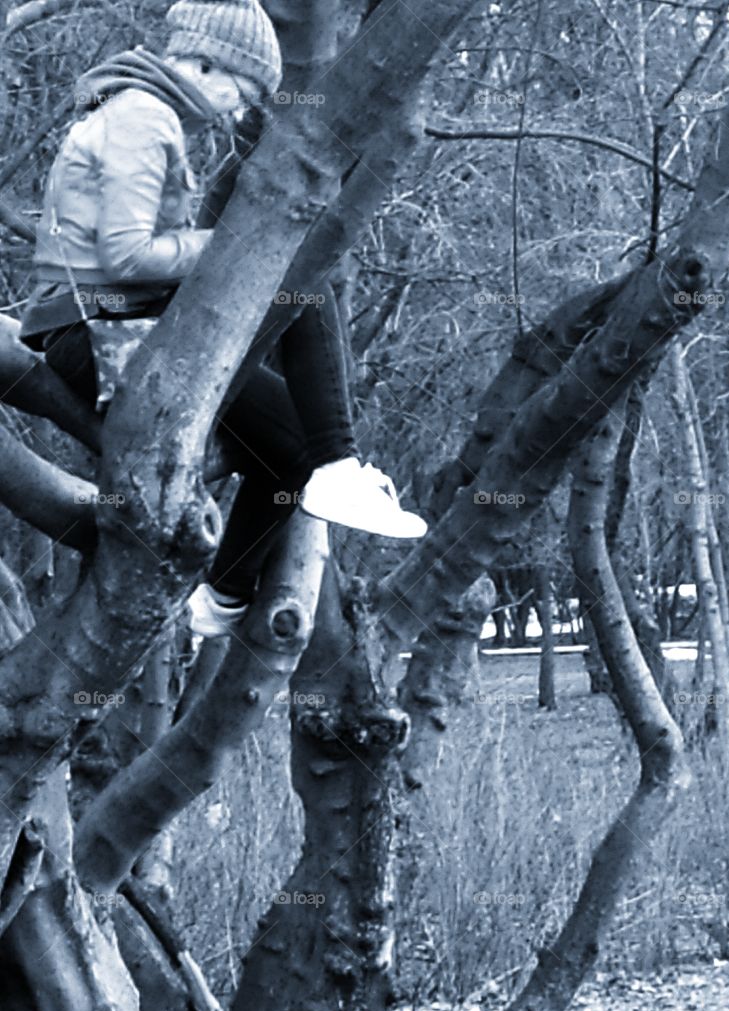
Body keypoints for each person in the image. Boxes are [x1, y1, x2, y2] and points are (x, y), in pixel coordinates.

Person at [18, 0, 427, 638]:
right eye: (241, 91)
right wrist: (229, 250)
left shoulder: (146, 114)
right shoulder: (141, 117)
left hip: (120, 320)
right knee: (294, 287)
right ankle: (333, 471)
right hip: (97, 332)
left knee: (290, 439)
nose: (237, 110)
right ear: (207, 64)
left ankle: (227, 593)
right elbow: (126, 256)